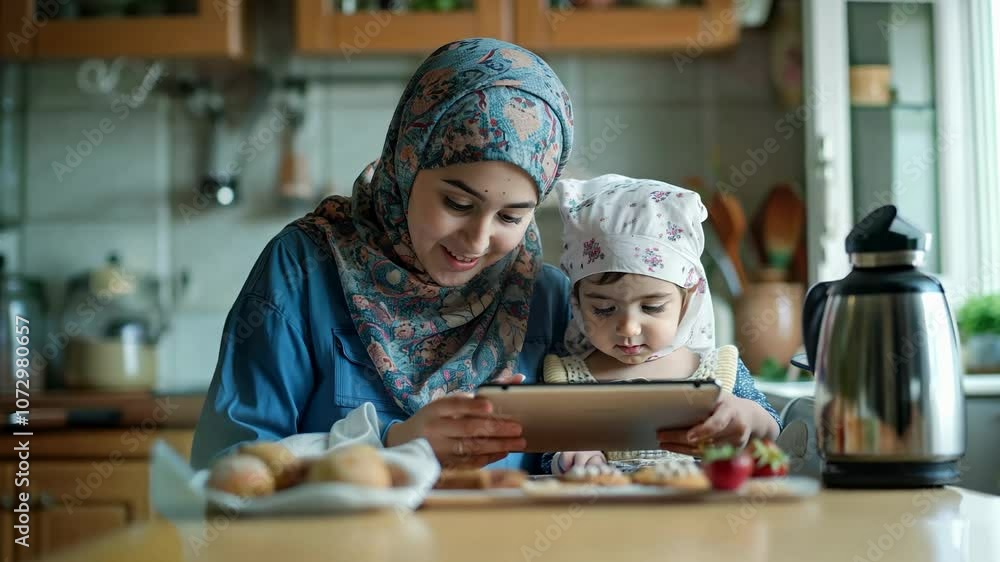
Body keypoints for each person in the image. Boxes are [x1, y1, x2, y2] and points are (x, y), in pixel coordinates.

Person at [190, 37, 575, 472]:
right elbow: (226, 470)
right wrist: (389, 444)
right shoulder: (303, 269)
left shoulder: (546, 298)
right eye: (458, 205)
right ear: (406, 166)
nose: (476, 241)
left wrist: (637, 444)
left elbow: (587, 471)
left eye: (510, 217)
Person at [543, 174, 781, 475]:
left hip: (703, 520)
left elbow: (773, 428)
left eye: (651, 307)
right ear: (576, 302)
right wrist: (570, 454)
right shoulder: (565, 378)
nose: (629, 327)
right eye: (603, 309)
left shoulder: (718, 370)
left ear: (689, 299)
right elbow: (543, 451)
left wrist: (748, 415)